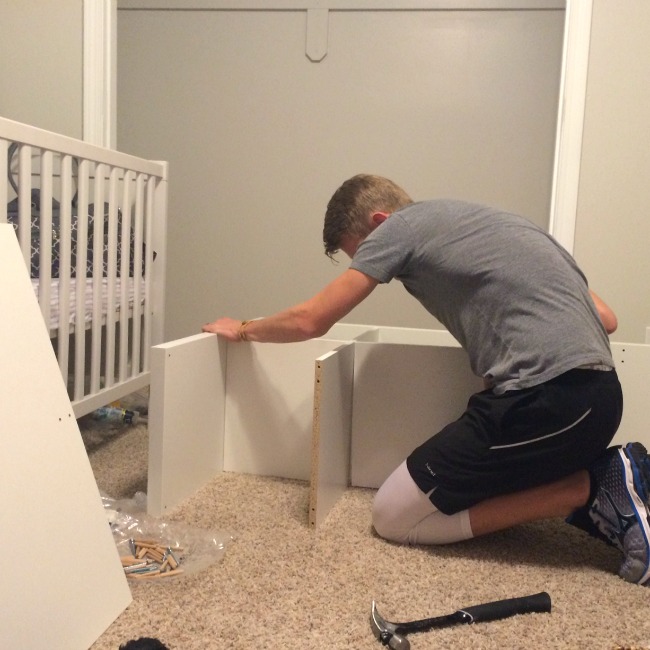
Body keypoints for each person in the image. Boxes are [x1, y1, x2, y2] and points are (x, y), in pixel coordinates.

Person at [203, 173, 650, 586]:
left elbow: (311, 321)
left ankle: (587, 486)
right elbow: (606, 320)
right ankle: (593, 476)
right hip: (598, 397)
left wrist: (242, 329)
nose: (375, 268)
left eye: (362, 253)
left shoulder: (401, 227)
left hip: (552, 402)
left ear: (380, 222)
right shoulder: (495, 224)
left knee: (393, 517)